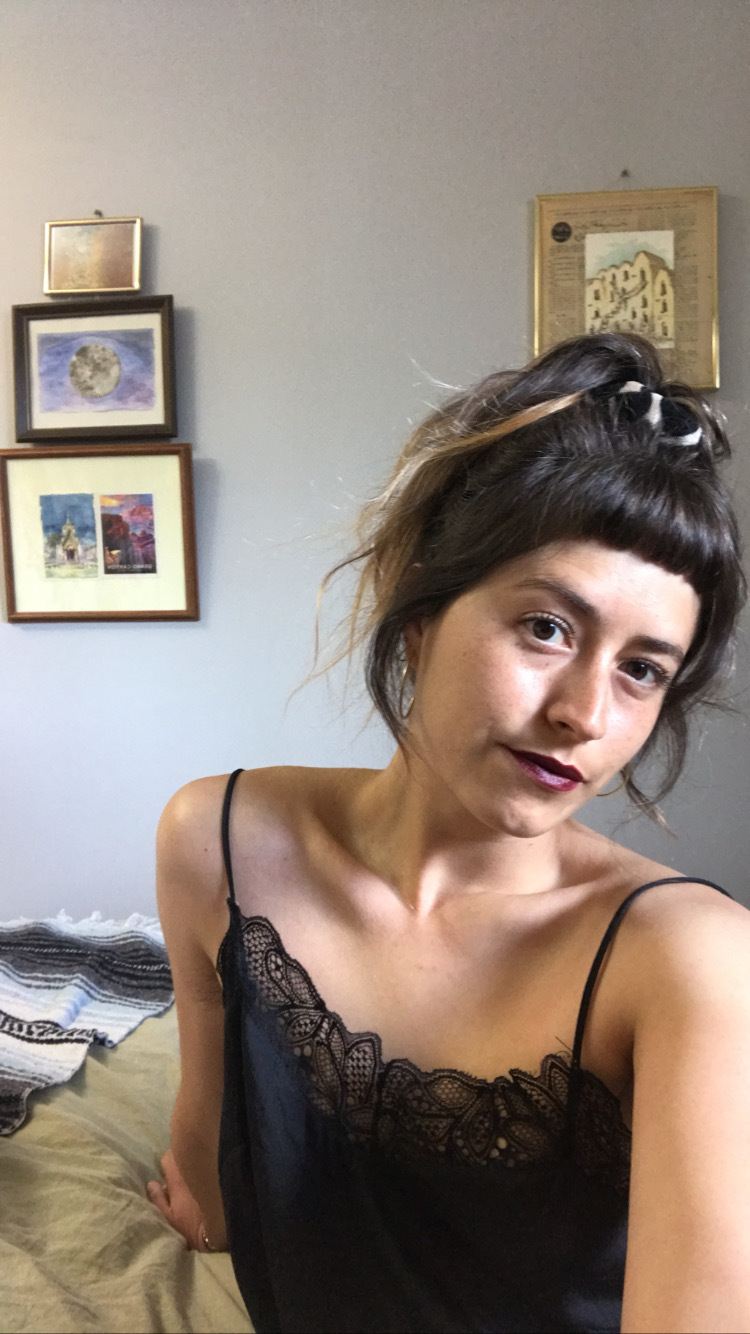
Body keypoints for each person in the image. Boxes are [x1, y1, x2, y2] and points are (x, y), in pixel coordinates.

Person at [148, 332, 750, 1334]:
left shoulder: (689, 958)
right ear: (420, 607)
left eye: (642, 670)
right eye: (547, 627)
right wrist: (203, 1207)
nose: (585, 714)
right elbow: (212, 1146)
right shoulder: (215, 840)